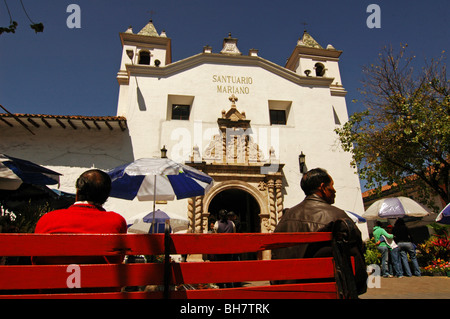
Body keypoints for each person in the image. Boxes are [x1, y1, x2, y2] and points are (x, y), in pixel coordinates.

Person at [272, 168, 367, 295]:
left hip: (289, 294)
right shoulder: (338, 217)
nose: (335, 190)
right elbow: (357, 269)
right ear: (322, 187)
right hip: (327, 293)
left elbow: (275, 272)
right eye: (332, 186)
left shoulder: (283, 221)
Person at [34, 169, 127, 264]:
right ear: (106, 196)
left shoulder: (47, 219)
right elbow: (117, 260)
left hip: (52, 278)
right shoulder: (115, 221)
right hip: (97, 278)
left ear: (78, 191)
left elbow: (35, 260)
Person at [214, 209, 236, 288]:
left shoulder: (217, 224)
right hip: (229, 249)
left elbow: (215, 236)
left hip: (220, 249)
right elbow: (234, 235)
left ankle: (221, 283)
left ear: (219, 216)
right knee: (228, 267)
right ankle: (229, 283)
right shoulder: (232, 224)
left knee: (220, 267)